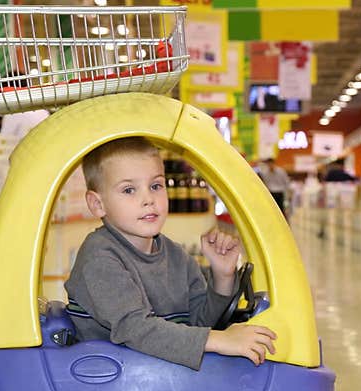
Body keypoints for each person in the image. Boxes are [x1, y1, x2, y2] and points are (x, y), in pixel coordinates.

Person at [64, 137, 277, 370]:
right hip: (105, 386)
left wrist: (223, 276)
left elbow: (198, 323)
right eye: (129, 190)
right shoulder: (99, 258)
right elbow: (135, 329)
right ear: (97, 204)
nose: (148, 199)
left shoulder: (175, 256)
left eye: (156, 186)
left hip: (157, 380)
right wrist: (220, 340)